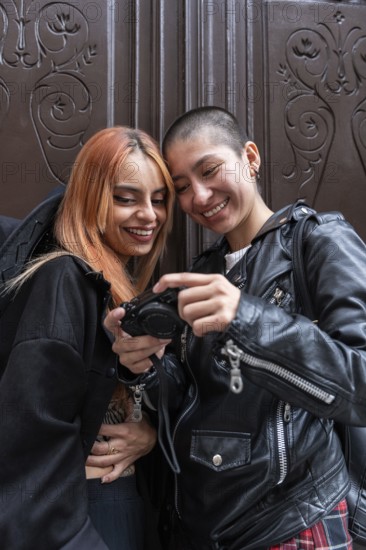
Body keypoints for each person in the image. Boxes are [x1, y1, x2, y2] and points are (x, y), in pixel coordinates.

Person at [103, 106, 366, 550]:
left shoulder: (318, 241)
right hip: (202, 528)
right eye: (182, 187)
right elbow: (196, 401)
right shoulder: (202, 271)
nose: (199, 197)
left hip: (296, 521)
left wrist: (247, 317)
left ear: (250, 156)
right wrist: (145, 364)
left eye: (209, 170)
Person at [0, 126, 175, 550]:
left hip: (119, 503)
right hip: (84, 514)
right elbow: (33, 443)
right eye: (125, 198)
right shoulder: (65, 280)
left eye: (158, 199)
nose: (149, 215)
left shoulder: (116, 283)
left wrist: (150, 435)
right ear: (90, 198)